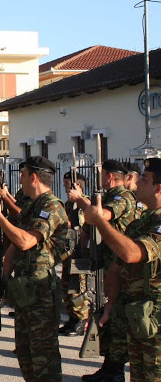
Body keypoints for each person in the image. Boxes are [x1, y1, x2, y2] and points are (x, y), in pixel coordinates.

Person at [0, 156, 67, 380]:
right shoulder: (32, 205)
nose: (19, 180)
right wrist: (0, 279)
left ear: (33, 176)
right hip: (24, 287)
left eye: (22, 175)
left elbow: (25, 241)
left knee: (43, 354)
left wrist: (0, 217)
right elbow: (14, 246)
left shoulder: (51, 205)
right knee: (25, 352)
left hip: (40, 290)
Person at [83, 157, 161, 382]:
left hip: (155, 318)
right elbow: (118, 267)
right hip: (137, 315)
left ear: (158, 187)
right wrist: (110, 304)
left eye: (144, 180)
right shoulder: (139, 223)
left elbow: (132, 253)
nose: (136, 184)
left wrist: (100, 222)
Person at [69, 159, 137, 381]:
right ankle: (109, 365)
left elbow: (102, 216)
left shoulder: (122, 197)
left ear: (109, 177)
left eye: (102, 174)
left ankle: (115, 370)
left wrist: (81, 200)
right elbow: (90, 223)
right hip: (103, 264)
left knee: (115, 316)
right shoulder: (104, 197)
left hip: (118, 265)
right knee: (103, 312)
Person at [59, 171, 90, 337]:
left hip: (79, 250)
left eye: (68, 183)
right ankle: (71, 317)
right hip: (67, 251)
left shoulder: (84, 203)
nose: (65, 186)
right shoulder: (68, 204)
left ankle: (81, 319)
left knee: (77, 286)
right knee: (67, 286)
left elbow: (82, 225)